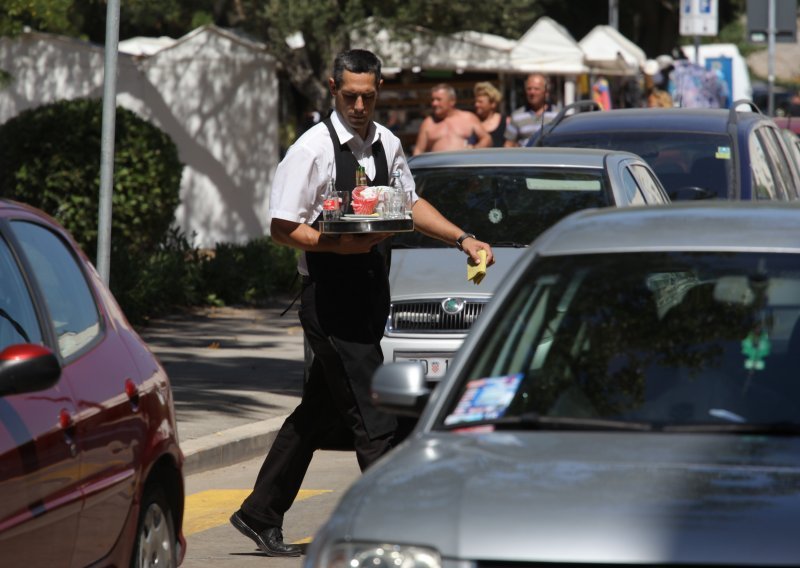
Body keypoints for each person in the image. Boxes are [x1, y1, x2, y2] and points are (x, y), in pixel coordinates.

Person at [229, 49, 494, 557]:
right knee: (377, 418)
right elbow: (282, 228)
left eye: (367, 96)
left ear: (378, 92)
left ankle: (259, 512)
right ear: (332, 88)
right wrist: (336, 244)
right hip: (329, 300)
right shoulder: (311, 150)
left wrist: (464, 239)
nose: (358, 105)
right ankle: (400, 528)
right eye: (349, 95)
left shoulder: (388, 142)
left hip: (371, 291)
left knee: (319, 411)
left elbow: (409, 204)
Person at [413, 83, 491, 154]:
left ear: (452, 101)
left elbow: (486, 138)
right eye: (432, 100)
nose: (434, 103)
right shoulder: (428, 123)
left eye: (438, 99)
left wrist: (474, 150)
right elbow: (418, 150)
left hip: (465, 166)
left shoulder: (468, 117)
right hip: (438, 168)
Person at [504, 72, 557, 147]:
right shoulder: (517, 116)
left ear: (546, 92)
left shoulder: (557, 115)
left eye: (536, 89)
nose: (532, 92)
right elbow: (509, 143)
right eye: (529, 89)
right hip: (524, 157)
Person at [473, 81, 507, 147]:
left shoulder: (506, 122)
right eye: (476, 101)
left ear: (493, 104)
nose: (476, 105)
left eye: (480, 102)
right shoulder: (474, 122)